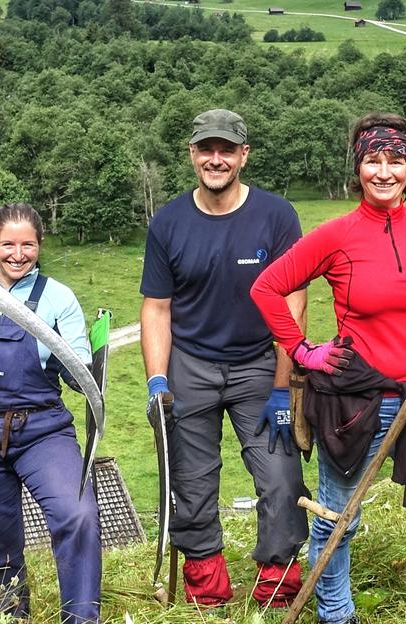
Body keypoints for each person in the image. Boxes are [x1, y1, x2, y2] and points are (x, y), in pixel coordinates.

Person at [250, 112, 406, 624]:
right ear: (358, 167)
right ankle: (336, 614)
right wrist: (303, 351)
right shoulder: (336, 235)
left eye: (395, 160)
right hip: (355, 404)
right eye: (373, 161)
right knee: (338, 521)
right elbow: (266, 287)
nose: (384, 172)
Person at [140, 108, 310, 608]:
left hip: (259, 363)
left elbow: (293, 302)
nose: (216, 159)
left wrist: (283, 387)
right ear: (192, 154)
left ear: (243, 155)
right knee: (190, 480)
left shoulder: (276, 217)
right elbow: (156, 307)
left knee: (280, 475)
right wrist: (156, 380)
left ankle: (278, 587)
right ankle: (206, 587)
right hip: (189, 364)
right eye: (207, 149)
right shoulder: (168, 222)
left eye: (227, 150)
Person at [0, 203, 101, 623]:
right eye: (7, 243)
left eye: (28, 244)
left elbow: (78, 366)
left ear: (39, 245)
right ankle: (10, 617)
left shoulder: (58, 297)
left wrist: (84, 372)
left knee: (77, 512)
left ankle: (82, 617)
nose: (17, 253)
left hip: (42, 429)